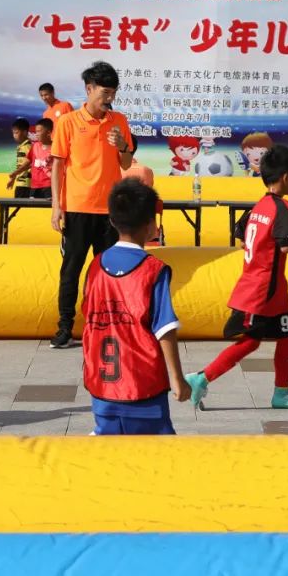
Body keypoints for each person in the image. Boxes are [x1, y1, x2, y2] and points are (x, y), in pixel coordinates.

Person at [184, 145, 288, 411]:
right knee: (250, 342)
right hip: (261, 291)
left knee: (287, 336)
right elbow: (286, 245)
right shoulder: (281, 207)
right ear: (285, 177)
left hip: (273, 291)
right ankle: (202, 377)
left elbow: (241, 235)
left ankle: (282, 393)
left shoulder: (259, 206)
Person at [81, 179, 191, 434]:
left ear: (112, 220)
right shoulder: (153, 270)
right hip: (143, 386)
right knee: (157, 454)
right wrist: (177, 378)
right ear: (151, 225)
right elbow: (164, 328)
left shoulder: (95, 266)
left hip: (102, 387)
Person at [48, 62, 133, 349]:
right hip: (76, 209)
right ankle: (64, 326)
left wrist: (122, 145)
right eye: (105, 93)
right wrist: (57, 206)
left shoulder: (119, 121)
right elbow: (58, 166)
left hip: (109, 211)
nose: (109, 98)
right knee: (71, 269)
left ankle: (104, 325)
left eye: (113, 93)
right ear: (89, 89)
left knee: (108, 272)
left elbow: (126, 163)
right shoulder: (68, 122)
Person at [5, 118, 33, 198]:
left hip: (25, 184)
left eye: (16, 133)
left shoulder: (27, 146)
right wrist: (13, 179)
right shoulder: (21, 146)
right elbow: (20, 165)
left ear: (25, 132)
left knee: (20, 204)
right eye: (13, 133)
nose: (14, 135)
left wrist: (15, 173)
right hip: (21, 183)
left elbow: (29, 163)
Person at [28, 118, 54, 199]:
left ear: (48, 133)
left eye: (39, 131)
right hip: (34, 186)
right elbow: (28, 162)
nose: (37, 134)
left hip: (49, 185)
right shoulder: (35, 146)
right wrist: (15, 173)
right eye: (36, 132)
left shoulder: (56, 148)